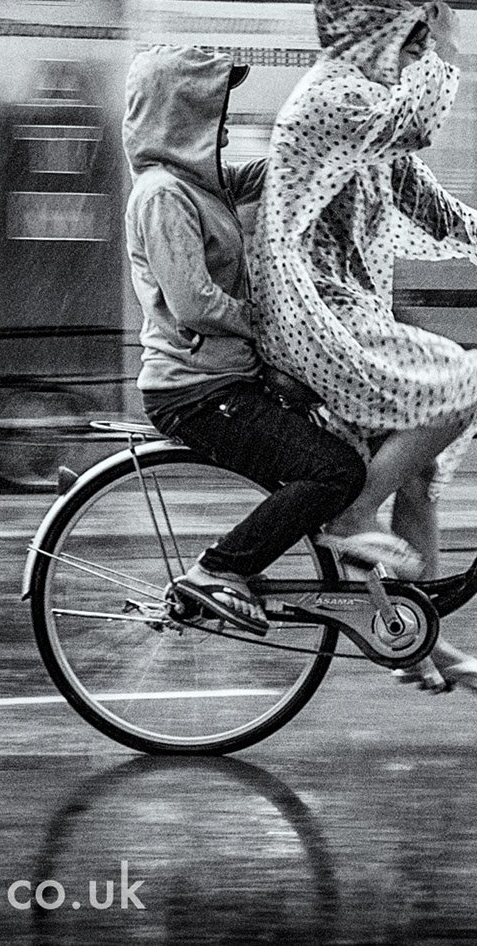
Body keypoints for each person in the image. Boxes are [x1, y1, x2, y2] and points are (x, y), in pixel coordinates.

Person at [249, 0, 477, 697]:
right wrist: (446, 48)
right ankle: (350, 511)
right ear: (376, 40)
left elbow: (427, 202)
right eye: (407, 43)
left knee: (419, 472)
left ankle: (419, 641)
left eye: (419, 46)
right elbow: (417, 126)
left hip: (352, 308)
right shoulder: (335, 95)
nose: (415, 58)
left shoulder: (370, 111)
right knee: (467, 381)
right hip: (314, 309)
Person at [122, 44, 368, 637]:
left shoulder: (201, 185)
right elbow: (194, 303)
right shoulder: (163, 195)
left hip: (226, 379)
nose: (226, 134)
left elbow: (268, 176)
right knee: (335, 473)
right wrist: (272, 321)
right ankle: (218, 570)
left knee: (349, 436)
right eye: (216, 118)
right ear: (182, 118)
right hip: (197, 391)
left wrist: (331, 143)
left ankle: (367, 576)